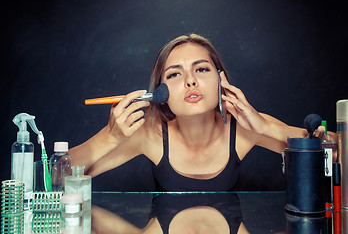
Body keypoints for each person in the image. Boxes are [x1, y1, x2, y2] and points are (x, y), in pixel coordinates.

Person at [69, 34, 336, 191]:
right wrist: (110, 136)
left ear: (222, 81)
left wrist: (266, 128)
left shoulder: (244, 128)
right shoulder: (149, 134)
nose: (190, 81)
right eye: (175, 74)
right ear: (160, 91)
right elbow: (54, 178)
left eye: (202, 69)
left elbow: (335, 155)